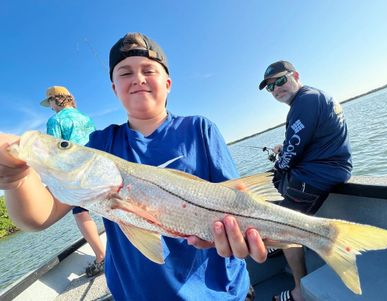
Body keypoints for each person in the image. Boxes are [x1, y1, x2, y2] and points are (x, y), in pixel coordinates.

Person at [0, 32, 268, 300]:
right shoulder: (100, 145)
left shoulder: (200, 128)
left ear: (168, 83)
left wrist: (241, 237)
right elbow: (39, 216)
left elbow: (238, 201)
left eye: (148, 70)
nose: (138, 78)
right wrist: (17, 178)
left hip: (220, 292)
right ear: (114, 88)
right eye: (125, 73)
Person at [258, 60, 352, 301]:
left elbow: (293, 149)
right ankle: (277, 241)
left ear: (295, 75)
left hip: (319, 175)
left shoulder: (305, 101)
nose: (277, 89)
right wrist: (283, 149)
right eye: (271, 87)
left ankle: (299, 290)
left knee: (283, 226)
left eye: (280, 80)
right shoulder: (312, 98)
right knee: (276, 194)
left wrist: (279, 166)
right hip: (327, 168)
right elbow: (299, 141)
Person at [40, 85, 106, 277]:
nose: (50, 107)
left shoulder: (55, 120)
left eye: (50, 103)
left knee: (80, 213)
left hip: (76, 175)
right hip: (97, 168)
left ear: (55, 100)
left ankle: (101, 257)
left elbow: (54, 153)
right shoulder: (85, 118)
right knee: (107, 209)